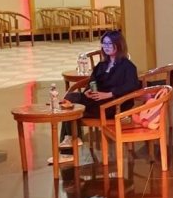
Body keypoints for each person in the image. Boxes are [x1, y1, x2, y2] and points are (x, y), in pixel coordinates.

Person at [54, 30, 140, 165]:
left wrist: (109, 94)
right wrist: (88, 91)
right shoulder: (102, 65)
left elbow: (132, 86)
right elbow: (92, 81)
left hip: (113, 104)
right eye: (104, 43)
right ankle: (71, 141)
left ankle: (68, 149)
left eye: (109, 43)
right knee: (70, 98)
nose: (106, 47)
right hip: (97, 100)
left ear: (118, 44)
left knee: (72, 111)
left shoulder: (128, 66)